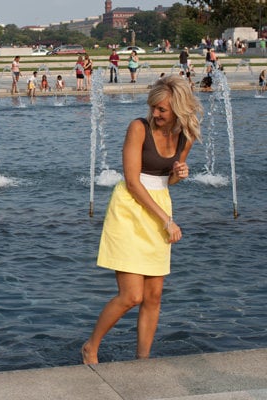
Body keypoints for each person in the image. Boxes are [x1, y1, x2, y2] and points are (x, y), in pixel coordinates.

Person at [81, 75, 203, 365]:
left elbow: (167, 181)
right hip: (130, 209)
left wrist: (178, 174)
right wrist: (166, 221)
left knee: (154, 296)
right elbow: (133, 183)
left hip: (159, 205)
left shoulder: (186, 136)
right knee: (132, 296)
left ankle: (143, 360)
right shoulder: (138, 128)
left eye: (162, 110)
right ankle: (91, 346)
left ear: (178, 108)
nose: (156, 114)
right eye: (154, 108)